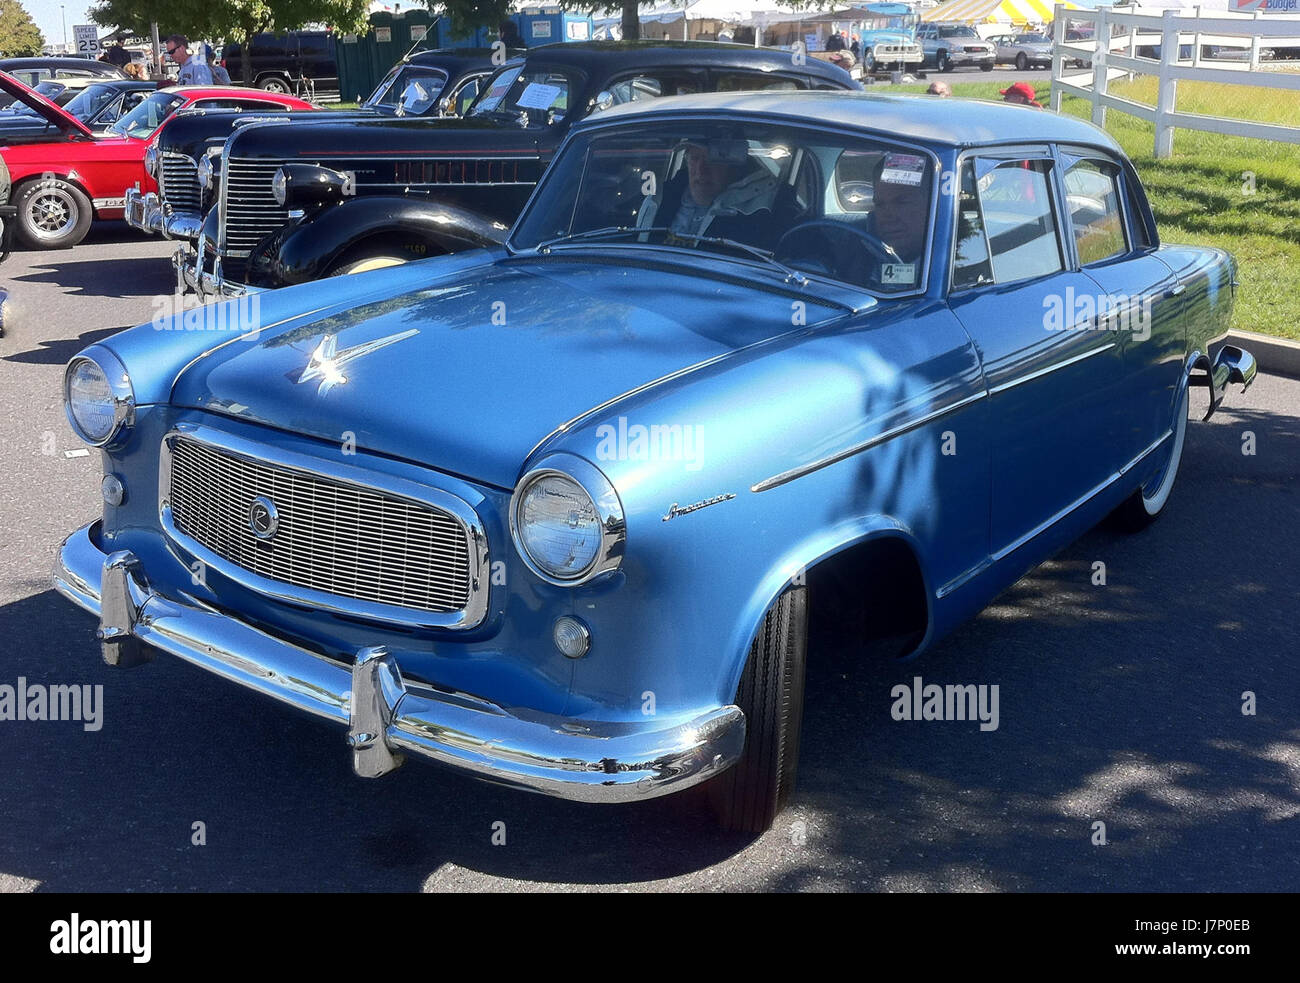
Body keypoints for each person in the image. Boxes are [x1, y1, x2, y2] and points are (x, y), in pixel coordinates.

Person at [638, 139, 780, 248]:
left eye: (712, 161)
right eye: (695, 159)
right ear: (687, 161)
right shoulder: (661, 199)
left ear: (733, 168)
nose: (701, 171)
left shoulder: (758, 214)